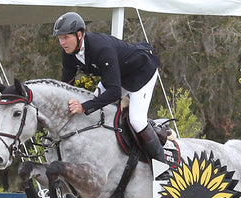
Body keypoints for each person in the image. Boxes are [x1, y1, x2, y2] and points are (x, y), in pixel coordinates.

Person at [53, 11, 171, 166]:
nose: (62, 42)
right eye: (60, 38)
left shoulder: (101, 48)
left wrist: (83, 106)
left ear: (80, 35)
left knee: (136, 120)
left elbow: (114, 92)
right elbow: (66, 86)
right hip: (118, 75)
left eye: (66, 37)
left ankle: (162, 166)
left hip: (141, 72)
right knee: (93, 111)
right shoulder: (69, 53)